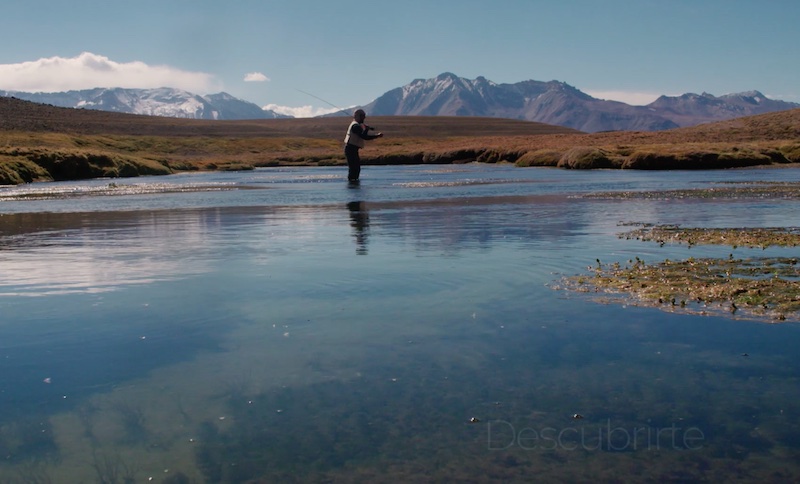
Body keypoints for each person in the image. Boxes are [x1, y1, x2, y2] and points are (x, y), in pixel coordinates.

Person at [343, 109, 383, 182]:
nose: (364, 118)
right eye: (362, 116)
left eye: (364, 116)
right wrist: (376, 135)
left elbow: (363, 134)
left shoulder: (357, 125)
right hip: (350, 149)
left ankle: (353, 183)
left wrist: (365, 129)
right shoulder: (355, 126)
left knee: (356, 168)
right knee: (354, 168)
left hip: (352, 149)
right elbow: (364, 136)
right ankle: (352, 184)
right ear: (358, 116)